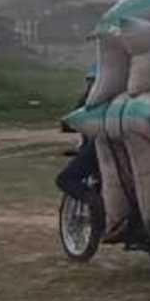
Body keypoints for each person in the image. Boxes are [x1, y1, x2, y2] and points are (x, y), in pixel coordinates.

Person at [55, 66, 99, 201]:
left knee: (66, 179)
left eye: (92, 81)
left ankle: (97, 204)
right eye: (89, 81)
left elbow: (71, 120)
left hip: (96, 147)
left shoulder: (93, 98)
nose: (90, 85)